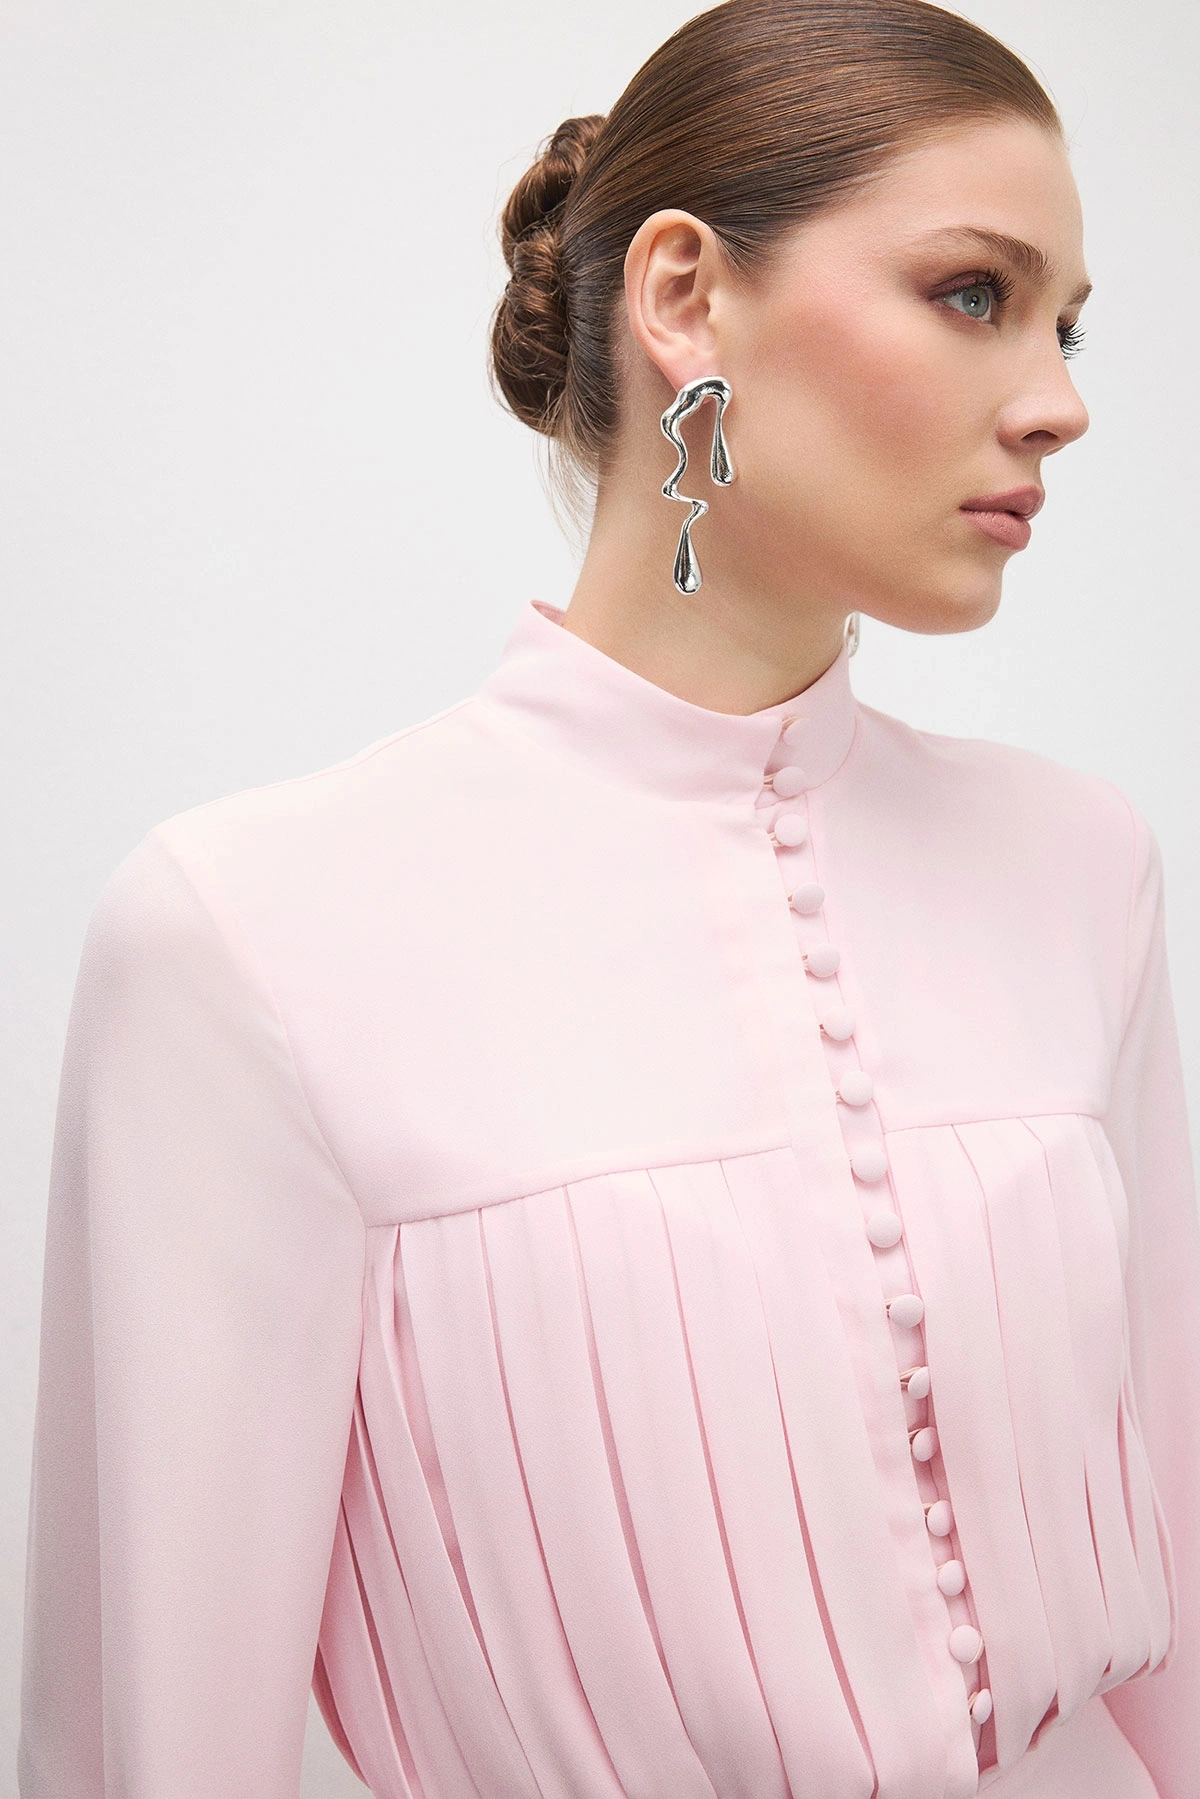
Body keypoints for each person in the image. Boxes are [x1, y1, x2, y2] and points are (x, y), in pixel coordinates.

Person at [18, 0, 1200, 1794]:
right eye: (975, 293)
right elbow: (152, 1746)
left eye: (1067, 323)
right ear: (685, 299)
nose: (1059, 400)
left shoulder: (1083, 867)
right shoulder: (249, 938)